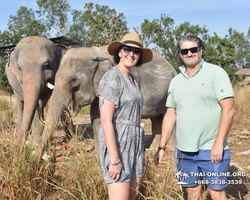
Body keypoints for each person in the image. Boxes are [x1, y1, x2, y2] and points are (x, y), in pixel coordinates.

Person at [154, 34, 235, 200]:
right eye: (185, 51)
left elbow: (229, 110)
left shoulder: (216, 73)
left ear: (201, 50)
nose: (189, 54)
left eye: (193, 49)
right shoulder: (176, 81)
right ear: (180, 54)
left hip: (212, 149)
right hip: (184, 152)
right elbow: (170, 115)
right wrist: (162, 147)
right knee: (191, 192)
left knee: (216, 193)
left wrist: (219, 144)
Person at [98, 33, 153, 200]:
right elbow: (106, 120)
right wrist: (114, 160)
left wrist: (139, 152)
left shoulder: (132, 79)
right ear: (120, 52)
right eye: (127, 49)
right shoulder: (112, 77)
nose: (132, 54)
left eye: (136, 51)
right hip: (118, 144)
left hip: (134, 145)